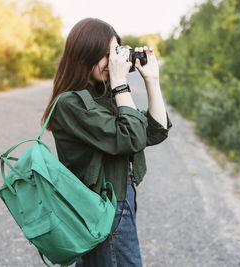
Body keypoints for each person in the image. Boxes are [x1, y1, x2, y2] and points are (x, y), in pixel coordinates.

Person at [41, 18, 172, 267]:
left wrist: (152, 81)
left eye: (115, 53)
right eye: (106, 54)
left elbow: (155, 131)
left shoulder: (104, 95)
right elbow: (131, 137)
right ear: (84, 54)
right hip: (104, 207)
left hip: (118, 201)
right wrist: (121, 85)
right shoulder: (72, 103)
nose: (112, 62)